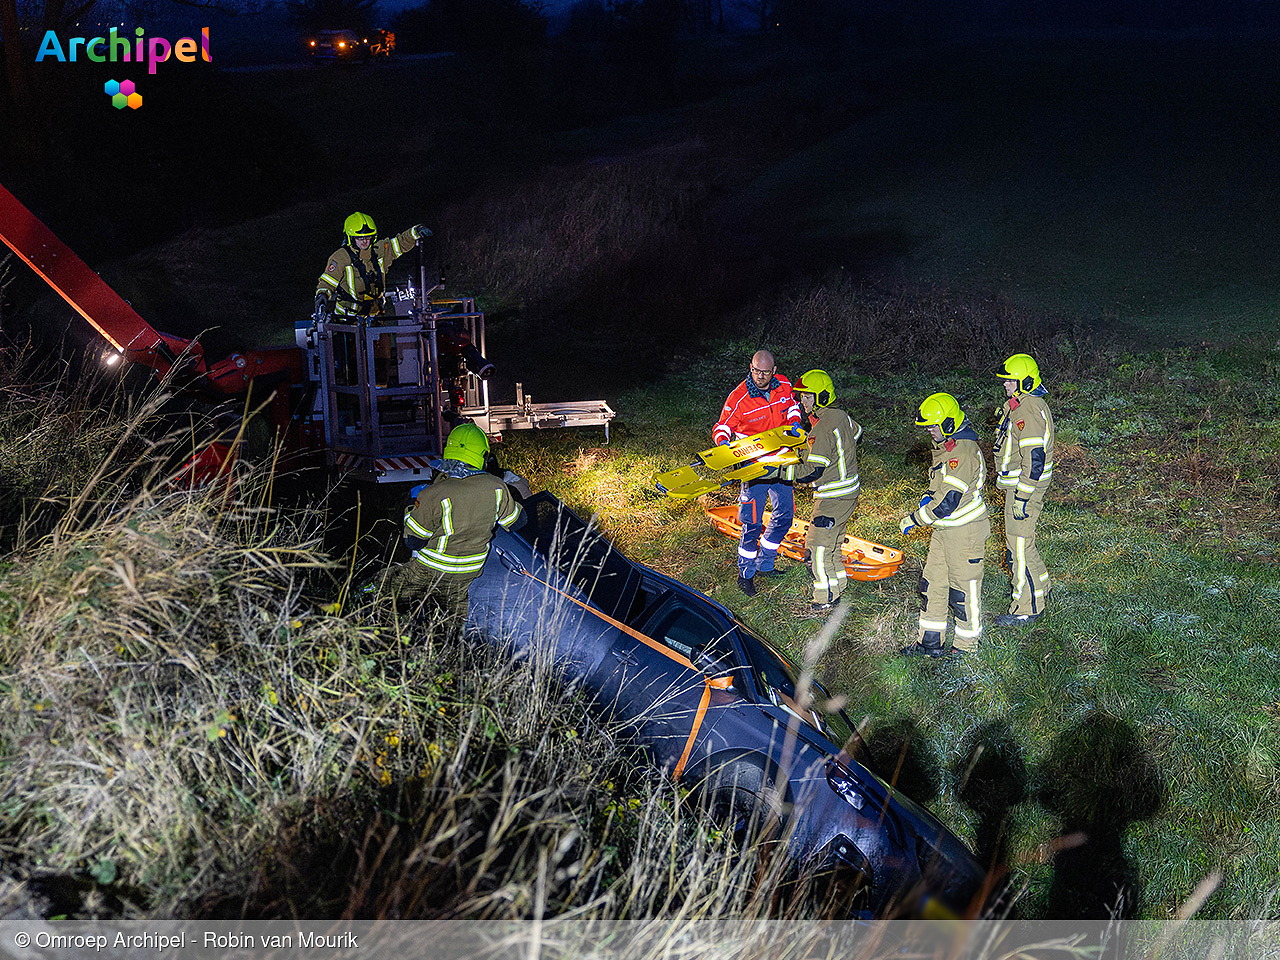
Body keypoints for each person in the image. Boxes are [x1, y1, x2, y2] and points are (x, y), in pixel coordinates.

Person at [389, 423, 525, 632]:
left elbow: (413, 540)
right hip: (467, 573)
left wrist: (411, 506)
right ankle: (448, 647)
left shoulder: (433, 494)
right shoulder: (497, 487)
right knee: (451, 626)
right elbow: (517, 522)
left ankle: (393, 633)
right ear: (482, 456)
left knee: (378, 589)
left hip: (429, 570)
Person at [899, 393, 989, 658]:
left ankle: (966, 649)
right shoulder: (948, 446)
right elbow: (939, 488)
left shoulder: (962, 452)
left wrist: (915, 519)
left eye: (933, 425)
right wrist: (928, 494)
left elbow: (947, 503)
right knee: (932, 585)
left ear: (949, 423)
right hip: (944, 531)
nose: (929, 430)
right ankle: (930, 642)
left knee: (963, 594)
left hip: (965, 533)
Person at [713, 349, 804, 597]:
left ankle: (766, 564)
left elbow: (793, 406)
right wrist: (725, 448)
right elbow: (721, 427)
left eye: (764, 372)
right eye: (755, 370)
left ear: (773, 371)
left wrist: (795, 423)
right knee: (751, 523)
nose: (759, 376)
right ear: (750, 367)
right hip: (753, 469)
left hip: (782, 464)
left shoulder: (783, 384)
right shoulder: (739, 398)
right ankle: (746, 574)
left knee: (784, 516)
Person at [992, 353, 1055, 625]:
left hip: (1024, 488)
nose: (1005, 385)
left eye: (1010, 381)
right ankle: (1042, 588)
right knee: (1024, 543)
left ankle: (1027, 608)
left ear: (1025, 382)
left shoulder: (1027, 410)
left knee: (1018, 548)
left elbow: (1035, 458)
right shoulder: (1020, 405)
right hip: (1019, 486)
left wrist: (1022, 496)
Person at [793, 370, 862, 614]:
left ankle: (824, 599)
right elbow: (857, 432)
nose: (803, 402)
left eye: (807, 397)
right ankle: (838, 585)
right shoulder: (840, 416)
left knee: (816, 547)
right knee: (831, 543)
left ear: (821, 396)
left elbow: (812, 471)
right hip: (848, 493)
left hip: (832, 496)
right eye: (801, 397)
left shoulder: (821, 428)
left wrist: (781, 472)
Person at [313, 212, 432, 321]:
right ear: (350, 238)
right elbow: (327, 282)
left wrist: (415, 231)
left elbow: (401, 243)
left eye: (368, 237)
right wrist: (322, 295)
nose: (364, 241)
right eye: (360, 238)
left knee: (383, 344)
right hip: (347, 320)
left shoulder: (380, 250)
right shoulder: (340, 257)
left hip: (375, 318)